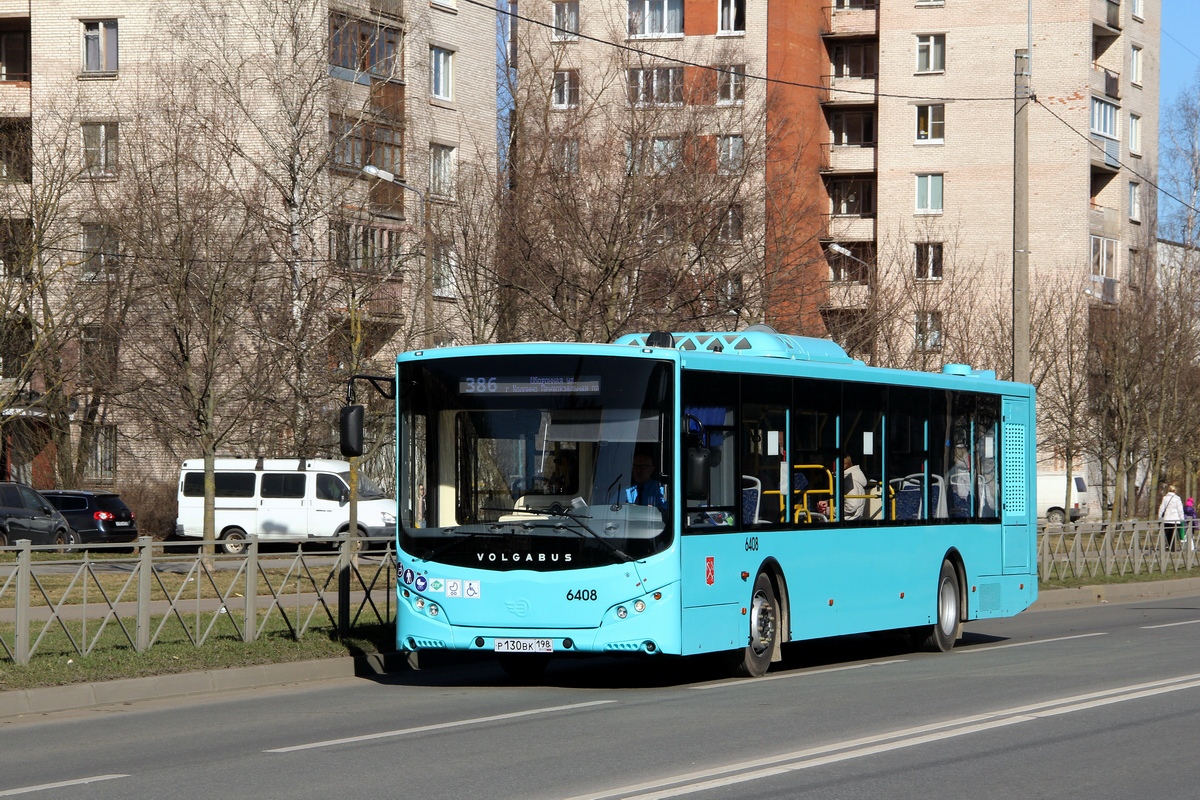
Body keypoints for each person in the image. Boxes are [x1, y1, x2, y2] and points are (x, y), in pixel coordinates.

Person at [1158, 484, 1184, 551]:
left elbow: (1162, 508)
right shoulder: (1177, 498)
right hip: (1175, 518)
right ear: (1175, 491)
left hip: (1167, 518)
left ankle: (1167, 545)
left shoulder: (1165, 498)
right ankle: (1172, 547)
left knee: (1167, 533)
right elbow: (1180, 509)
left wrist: (1159, 517)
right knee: (1173, 533)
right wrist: (1182, 518)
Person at [842, 455, 869, 520]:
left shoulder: (849, 479)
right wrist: (828, 502)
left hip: (848, 519)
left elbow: (851, 506)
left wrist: (830, 510)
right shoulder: (855, 475)